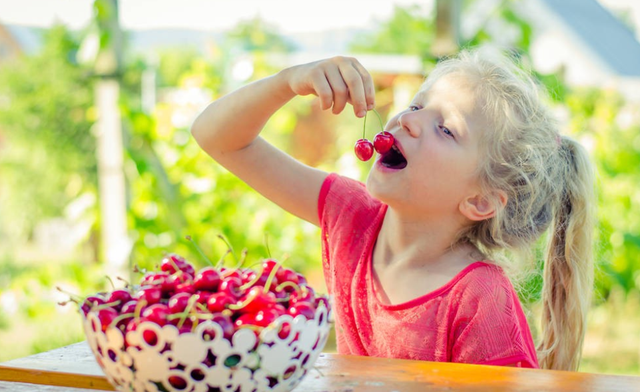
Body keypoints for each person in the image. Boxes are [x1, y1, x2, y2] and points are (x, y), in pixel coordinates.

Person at [191, 48, 596, 371]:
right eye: (418, 105)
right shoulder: (351, 215)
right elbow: (216, 137)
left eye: (447, 128)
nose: (407, 120)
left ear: (481, 200)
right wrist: (289, 82)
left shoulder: (480, 299)